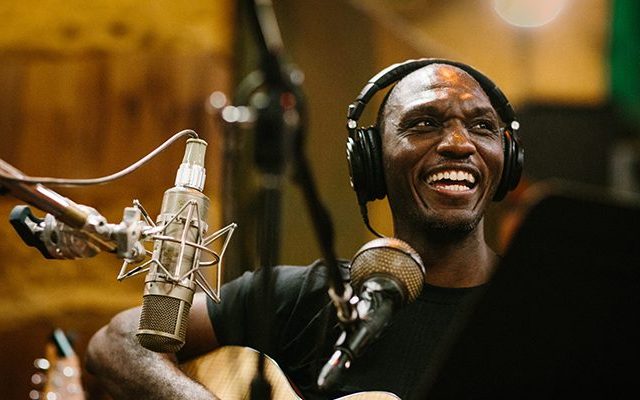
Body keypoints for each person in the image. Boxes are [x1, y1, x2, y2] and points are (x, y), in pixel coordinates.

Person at [85, 58, 522, 400]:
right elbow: (118, 341)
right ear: (371, 160)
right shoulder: (309, 297)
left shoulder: (537, 313)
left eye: (482, 127)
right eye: (424, 123)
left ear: (507, 160)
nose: (459, 144)